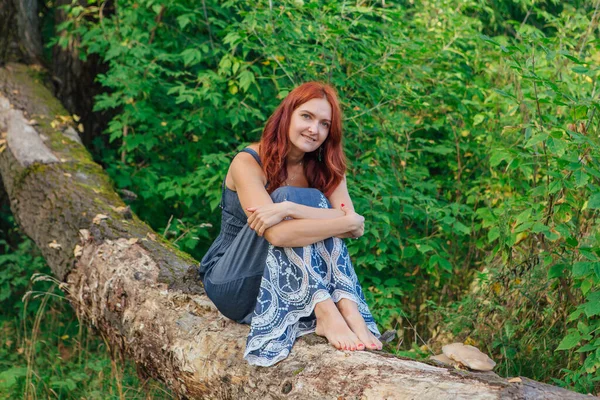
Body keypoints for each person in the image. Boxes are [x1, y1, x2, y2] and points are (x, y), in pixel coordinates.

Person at [198, 81, 382, 367]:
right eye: (306, 117)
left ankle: (348, 308)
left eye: (324, 124)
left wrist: (289, 208)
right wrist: (336, 217)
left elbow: (354, 227)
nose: (314, 129)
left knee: (295, 199)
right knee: (290, 195)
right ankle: (326, 312)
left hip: (284, 280)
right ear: (287, 115)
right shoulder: (248, 162)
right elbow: (280, 235)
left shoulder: (328, 168)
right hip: (233, 280)